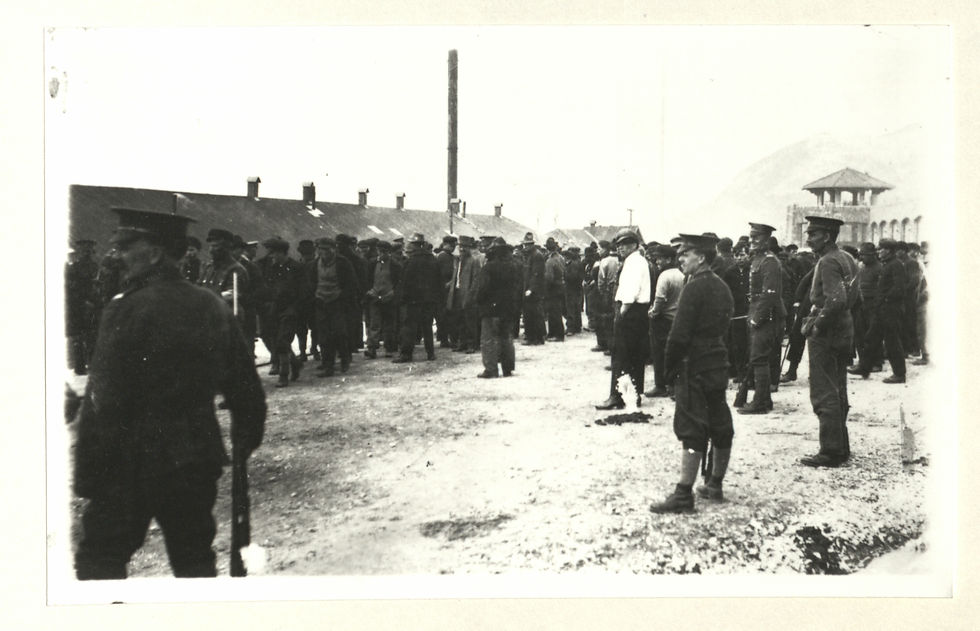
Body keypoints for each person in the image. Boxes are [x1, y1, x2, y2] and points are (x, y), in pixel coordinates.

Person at [73, 207, 266, 579]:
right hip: (194, 460)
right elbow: (247, 392)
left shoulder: (123, 309)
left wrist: (90, 472)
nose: (118, 254)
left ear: (154, 253)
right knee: (194, 559)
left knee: (100, 560)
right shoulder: (211, 305)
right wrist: (245, 440)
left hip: (128, 464)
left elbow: (103, 401)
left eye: (126, 246)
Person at [649, 234, 734, 513]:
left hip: (693, 365)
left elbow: (678, 335)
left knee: (691, 428)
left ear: (702, 257)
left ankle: (683, 494)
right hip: (717, 363)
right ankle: (714, 484)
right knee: (720, 423)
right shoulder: (721, 286)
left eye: (686, 254)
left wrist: (669, 369)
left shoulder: (693, 287)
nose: (680, 258)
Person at [798, 216, 859, 467]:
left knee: (824, 391)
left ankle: (831, 451)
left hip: (828, 332)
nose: (808, 238)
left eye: (813, 234)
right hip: (844, 329)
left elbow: (836, 300)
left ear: (826, 236)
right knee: (838, 388)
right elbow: (851, 298)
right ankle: (841, 447)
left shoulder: (827, 261)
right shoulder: (847, 258)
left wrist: (817, 326)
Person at [595, 229, 650, 410]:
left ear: (634, 245)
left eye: (625, 244)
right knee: (634, 357)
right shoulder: (638, 261)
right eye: (619, 245)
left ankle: (617, 397)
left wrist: (622, 313)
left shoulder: (634, 262)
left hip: (630, 311)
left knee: (622, 356)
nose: (621, 248)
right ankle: (632, 396)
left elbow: (631, 292)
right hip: (637, 312)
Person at [736, 223, 784, 414]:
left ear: (766, 239)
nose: (753, 241)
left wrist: (756, 318)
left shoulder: (770, 262)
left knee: (759, 359)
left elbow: (770, 295)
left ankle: (760, 403)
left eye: (757, 237)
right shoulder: (758, 259)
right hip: (758, 313)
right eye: (751, 237)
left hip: (767, 317)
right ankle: (765, 400)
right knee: (757, 358)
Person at [259, 237, 304, 387]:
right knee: (273, 337)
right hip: (275, 308)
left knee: (283, 340)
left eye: (273, 253)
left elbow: (303, 290)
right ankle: (295, 363)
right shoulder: (272, 268)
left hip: (291, 308)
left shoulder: (296, 267)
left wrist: (296, 308)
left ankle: (283, 375)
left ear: (282, 253)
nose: (271, 257)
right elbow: (269, 287)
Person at [310, 237, 357, 377]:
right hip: (321, 302)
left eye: (327, 249)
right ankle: (328, 365)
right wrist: (315, 298)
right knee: (323, 335)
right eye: (321, 249)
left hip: (337, 302)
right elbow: (311, 282)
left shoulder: (343, 263)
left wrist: (342, 298)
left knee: (339, 333)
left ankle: (344, 359)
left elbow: (351, 284)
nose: (324, 252)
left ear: (333, 249)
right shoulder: (315, 264)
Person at [476, 237, 520, 378]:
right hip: (508, 308)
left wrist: (479, 301)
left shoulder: (488, 268)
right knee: (506, 338)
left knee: (489, 339)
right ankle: (508, 369)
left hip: (491, 309)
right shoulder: (513, 266)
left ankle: (491, 369)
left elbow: (482, 289)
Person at [644, 244, 684, 398]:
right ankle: (674, 386)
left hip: (662, 320)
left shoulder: (664, 276)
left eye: (660, 258)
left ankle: (660, 385)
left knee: (659, 354)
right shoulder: (681, 274)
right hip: (676, 319)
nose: (657, 261)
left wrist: (653, 312)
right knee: (674, 353)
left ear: (668, 259)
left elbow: (660, 299)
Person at [393, 233, 441, 363]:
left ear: (413, 245)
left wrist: (402, 298)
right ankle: (430, 353)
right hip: (429, 300)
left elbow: (405, 282)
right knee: (427, 327)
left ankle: (406, 354)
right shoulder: (432, 259)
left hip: (413, 300)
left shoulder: (411, 261)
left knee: (409, 327)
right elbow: (438, 280)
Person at [65, 238, 101, 375]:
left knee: (91, 336)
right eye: (84, 250)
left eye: (88, 250)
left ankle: (89, 365)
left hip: (91, 305)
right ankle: (80, 366)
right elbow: (70, 288)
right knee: (79, 337)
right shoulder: (73, 268)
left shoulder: (95, 266)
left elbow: (97, 285)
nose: (86, 252)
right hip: (79, 305)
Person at [364, 241, 402, 359]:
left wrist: (393, 293)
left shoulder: (395, 265)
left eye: (384, 252)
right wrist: (369, 291)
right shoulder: (372, 264)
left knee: (389, 324)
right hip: (374, 297)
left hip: (389, 298)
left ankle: (389, 348)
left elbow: (399, 282)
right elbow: (367, 279)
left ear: (389, 252)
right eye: (380, 251)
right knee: (374, 324)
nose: (381, 254)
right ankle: (372, 348)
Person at [446, 235, 482, 353]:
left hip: (468, 294)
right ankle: (462, 343)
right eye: (460, 246)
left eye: (464, 247)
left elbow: (476, 280)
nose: (462, 249)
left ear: (469, 248)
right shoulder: (457, 260)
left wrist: (471, 295)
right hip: (457, 293)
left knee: (469, 321)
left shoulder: (474, 261)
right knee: (459, 320)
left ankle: (471, 344)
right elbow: (456, 277)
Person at [520, 232, 547, 345]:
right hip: (530, 289)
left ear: (532, 245)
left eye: (527, 244)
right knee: (529, 314)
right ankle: (534, 337)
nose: (525, 247)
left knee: (534, 314)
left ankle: (535, 338)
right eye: (525, 244)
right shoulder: (530, 255)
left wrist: (531, 289)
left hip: (534, 291)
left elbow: (536, 274)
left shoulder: (536, 255)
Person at [594, 240, 620, 354]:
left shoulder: (605, 261)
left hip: (606, 293)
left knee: (603, 319)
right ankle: (611, 345)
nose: (598, 251)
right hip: (616, 292)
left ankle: (604, 344)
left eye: (599, 249)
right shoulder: (619, 260)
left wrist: (601, 292)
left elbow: (601, 280)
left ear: (605, 249)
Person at [295, 239, 318, 362]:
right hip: (311, 300)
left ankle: (304, 351)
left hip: (304, 300)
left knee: (302, 328)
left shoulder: (298, 265)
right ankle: (313, 349)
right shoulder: (316, 264)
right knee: (314, 327)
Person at [434, 235, 457, 348]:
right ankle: (444, 339)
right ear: (446, 244)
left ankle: (444, 338)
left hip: (445, 290)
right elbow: (443, 274)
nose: (453, 248)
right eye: (452, 245)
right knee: (444, 315)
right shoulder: (443, 257)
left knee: (445, 315)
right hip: (444, 290)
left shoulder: (445, 256)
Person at [543, 237, 566, 341]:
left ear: (548, 249)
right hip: (561, 286)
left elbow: (549, 278)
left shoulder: (550, 261)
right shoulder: (561, 258)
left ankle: (558, 335)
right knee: (557, 311)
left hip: (553, 289)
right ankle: (552, 333)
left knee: (553, 312)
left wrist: (545, 289)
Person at [563, 246, 584, 335]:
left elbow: (572, 277)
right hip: (577, 288)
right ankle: (577, 326)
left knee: (570, 308)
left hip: (571, 288)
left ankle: (571, 328)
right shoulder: (579, 262)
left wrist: (564, 276)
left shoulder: (573, 264)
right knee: (576, 307)